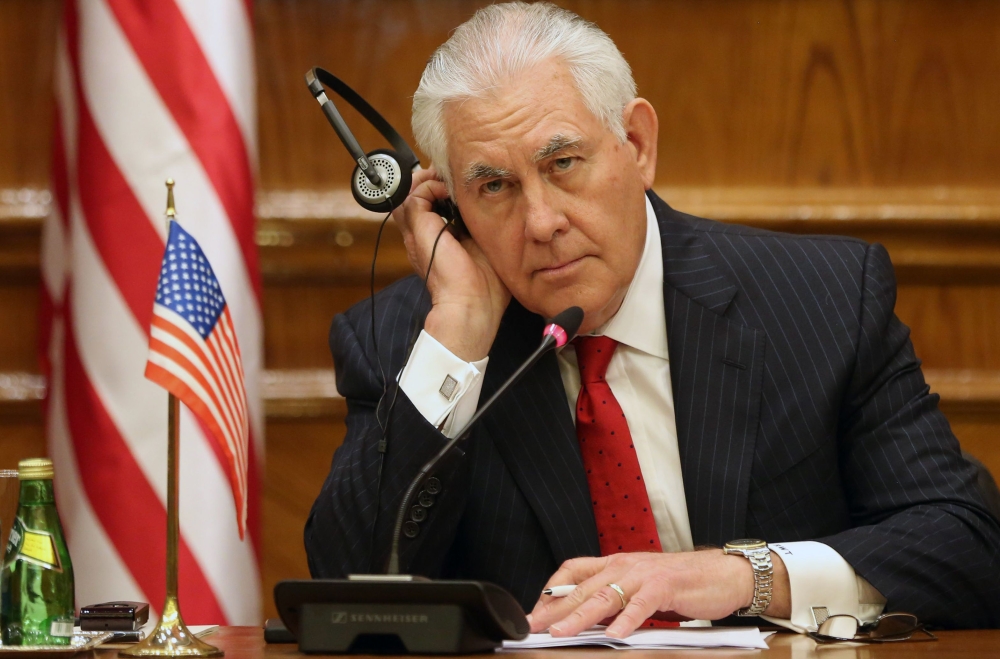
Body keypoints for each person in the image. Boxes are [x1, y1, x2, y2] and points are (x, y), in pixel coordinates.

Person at [305, 2, 1000, 636]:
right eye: (494, 187)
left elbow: (969, 542)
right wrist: (459, 325)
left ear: (636, 143)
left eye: (564, 162)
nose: (541, 222)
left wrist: (742, 576)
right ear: (449, 205)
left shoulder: (821, 301)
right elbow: (348, 598)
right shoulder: (412, 343)